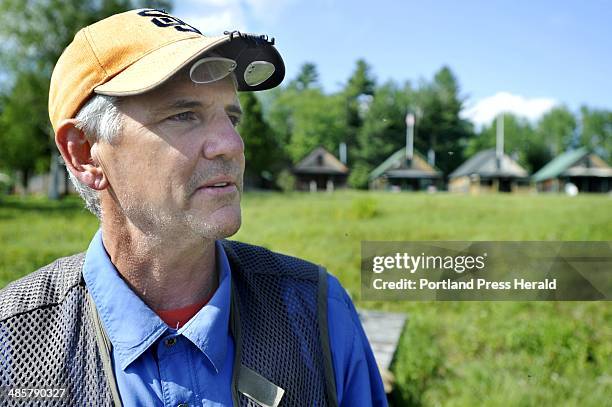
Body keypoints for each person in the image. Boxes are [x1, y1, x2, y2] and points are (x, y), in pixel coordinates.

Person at [0, 8, 387, 407]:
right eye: (184, 115)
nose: (232, 145)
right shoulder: (14, 342)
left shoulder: (318, 313)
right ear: (85, 154)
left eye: (231, 118)